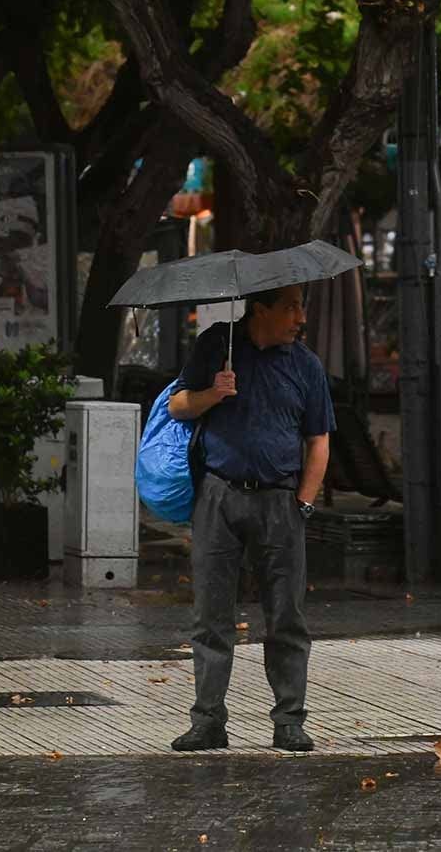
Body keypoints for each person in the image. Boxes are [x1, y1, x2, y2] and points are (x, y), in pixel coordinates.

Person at [167, 283, 333, 752]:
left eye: (302, 306)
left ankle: (289, 721)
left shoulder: (306, 365)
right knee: (211, 616)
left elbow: (318, 440)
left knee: (286, 616)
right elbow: (177, 405)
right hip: (218, 497)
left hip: (281, 502)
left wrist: (303, 502)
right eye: (291, 307)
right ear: (260, 310)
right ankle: (208, 722)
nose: (301, 317)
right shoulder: (218, 344)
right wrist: (212, 395)